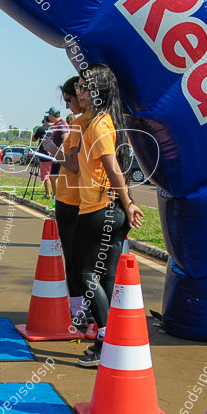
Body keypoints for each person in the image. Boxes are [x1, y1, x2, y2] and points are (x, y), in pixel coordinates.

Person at [60, 65, 144, 367]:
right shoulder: (93, 120)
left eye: (83, 88)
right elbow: (77, 124)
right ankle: (105, 340)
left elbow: (113, 168)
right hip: (109, 210)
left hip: (99, 211)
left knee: (85, 275)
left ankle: (105, 336)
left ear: (95, 93)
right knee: (106, 276)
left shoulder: (99, 125)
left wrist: (130, 202)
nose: (78, 92)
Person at [54, 78, 89, 329]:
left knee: (74, 257)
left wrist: (52, 151)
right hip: (91, 200)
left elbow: (74, 165)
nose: (68, 106)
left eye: (69, 99)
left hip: (71, 198)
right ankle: (90, 310)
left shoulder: (80, 123)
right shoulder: (103, 120)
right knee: (91, 259)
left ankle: (78, 308)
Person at [38, 107, 69, 199]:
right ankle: (57, 198)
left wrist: (59, 153)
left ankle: (58, 198)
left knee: (55, 177)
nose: (48, 116)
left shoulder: (61, 125)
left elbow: (66, 139)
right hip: (56, 155)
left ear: (52, 115)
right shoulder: (58, 124)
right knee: (53, 176)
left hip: (60, 156)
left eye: (49, 115)